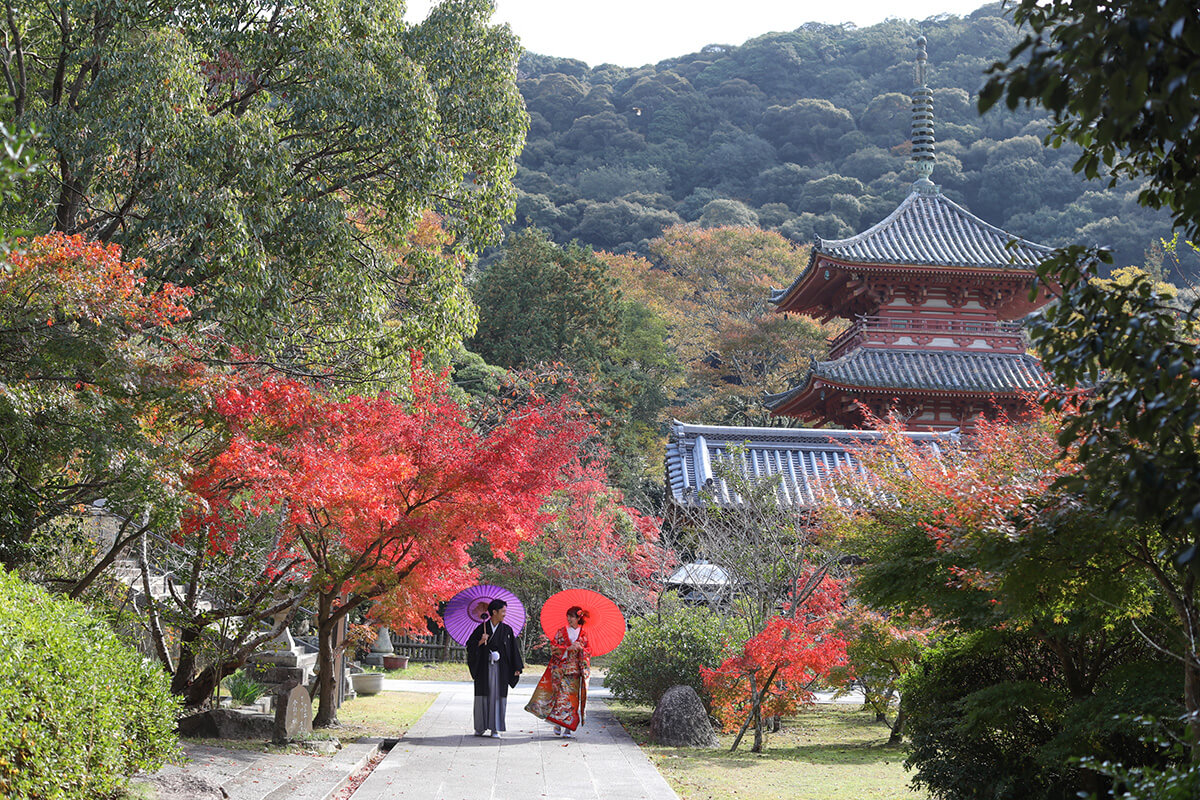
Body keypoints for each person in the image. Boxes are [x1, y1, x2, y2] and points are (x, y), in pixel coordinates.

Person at [524, 605, 591, 737]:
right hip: (561, 671)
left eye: (572, 616)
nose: (569, 619)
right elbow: (554, 648)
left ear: (578, 618)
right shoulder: (561, 631)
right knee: (559, 698)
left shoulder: (584, 634)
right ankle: (557, 724)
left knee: (572, 700)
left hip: (575, 672)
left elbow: (589, 651)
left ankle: (568, 728)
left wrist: (581, 650)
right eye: (568, 616)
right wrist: (569, 648)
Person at [466, 599, 523, 738]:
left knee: (498, 697)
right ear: (494, 612)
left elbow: (513, 650)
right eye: (503, 611)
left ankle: (495, 728)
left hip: (501, 669)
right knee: (482, 696)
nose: (505, 614)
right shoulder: (482, 629)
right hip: (484, 668)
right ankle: (480, 727)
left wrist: (517, 667)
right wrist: (480, 641)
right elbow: (470, 646)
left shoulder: (507, 630)